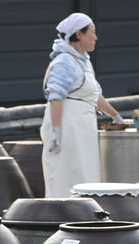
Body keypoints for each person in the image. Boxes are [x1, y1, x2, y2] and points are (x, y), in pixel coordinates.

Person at [40, 13, 124, 197]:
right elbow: (56, 97)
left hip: (82, 128)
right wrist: (57, 131)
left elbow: (94, 94)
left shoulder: (83, 61)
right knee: (66, 175)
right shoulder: (64, 61)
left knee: (85, 173)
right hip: (67, 128)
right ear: (79, 34)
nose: (95, 37)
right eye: (92, 32)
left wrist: (115, 116)